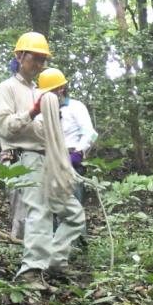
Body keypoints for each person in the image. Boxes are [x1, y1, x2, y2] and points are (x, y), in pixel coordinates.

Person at [0, 32, 85, 288]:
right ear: (20, 56)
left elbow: (49, 131)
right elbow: (5, 127)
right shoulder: (7, 88)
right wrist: (33, 111)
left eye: (43, 60)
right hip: (24, 158)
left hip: (49, 161)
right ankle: (31, 273)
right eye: (36, 58)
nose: (40, 65)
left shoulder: (41, 90)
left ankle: (55, 262)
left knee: (74, 213)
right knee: (40, 212)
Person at [37, 68, 98, 206]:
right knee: (50, 209)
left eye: (52, 91)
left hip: (72, 163)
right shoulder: (41, 113)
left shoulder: (76, 107)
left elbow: (91, 134)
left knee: (73, 208)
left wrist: (79, 153)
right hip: (48, 164)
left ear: (61, 89)